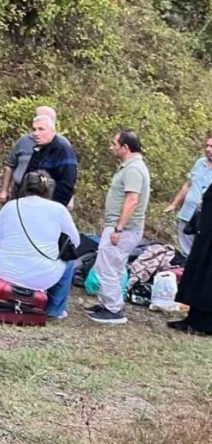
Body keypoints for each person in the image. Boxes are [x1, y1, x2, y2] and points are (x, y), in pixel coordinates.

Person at [0, 170, 81, 319]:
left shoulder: (10, 206)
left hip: (3, 270)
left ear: (24, 187)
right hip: (40, 276)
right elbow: (75, 242)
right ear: (49, 188)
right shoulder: (59, 210)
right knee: (69, 262)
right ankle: (54, 309)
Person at [87, 130, 151, 325]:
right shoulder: (130, 167)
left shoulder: (134, 169)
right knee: (110, 265)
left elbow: (132, 199)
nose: (111, 147)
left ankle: (113, 309)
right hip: (120, 227)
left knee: (108, 267)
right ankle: (106, 304)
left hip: (123, 229)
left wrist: (119, 228)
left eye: (114, 144)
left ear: (125, 147)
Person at [0, 106, 77, 208]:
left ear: (52, 129)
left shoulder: (63, 149)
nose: (36, 133)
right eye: (34, 129)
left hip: (49, 204)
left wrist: (54, 208)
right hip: (27, 201)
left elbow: (67, 182)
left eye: (41, 129)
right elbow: (28, 177)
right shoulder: (37, 147)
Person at [169, 181, 212, 335]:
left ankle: (205, 324)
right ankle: (192, 319)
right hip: (205, 234)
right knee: (198, 273)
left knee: (208, 279)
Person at [164, 134, 212, 257]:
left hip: (204, 218)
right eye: (206, 146)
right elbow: (188, 184)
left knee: (200, 252)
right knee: (185, 250)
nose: (208, 149)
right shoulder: (200, 162)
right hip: (186, 213)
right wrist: (174, 204)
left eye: (211, 147)